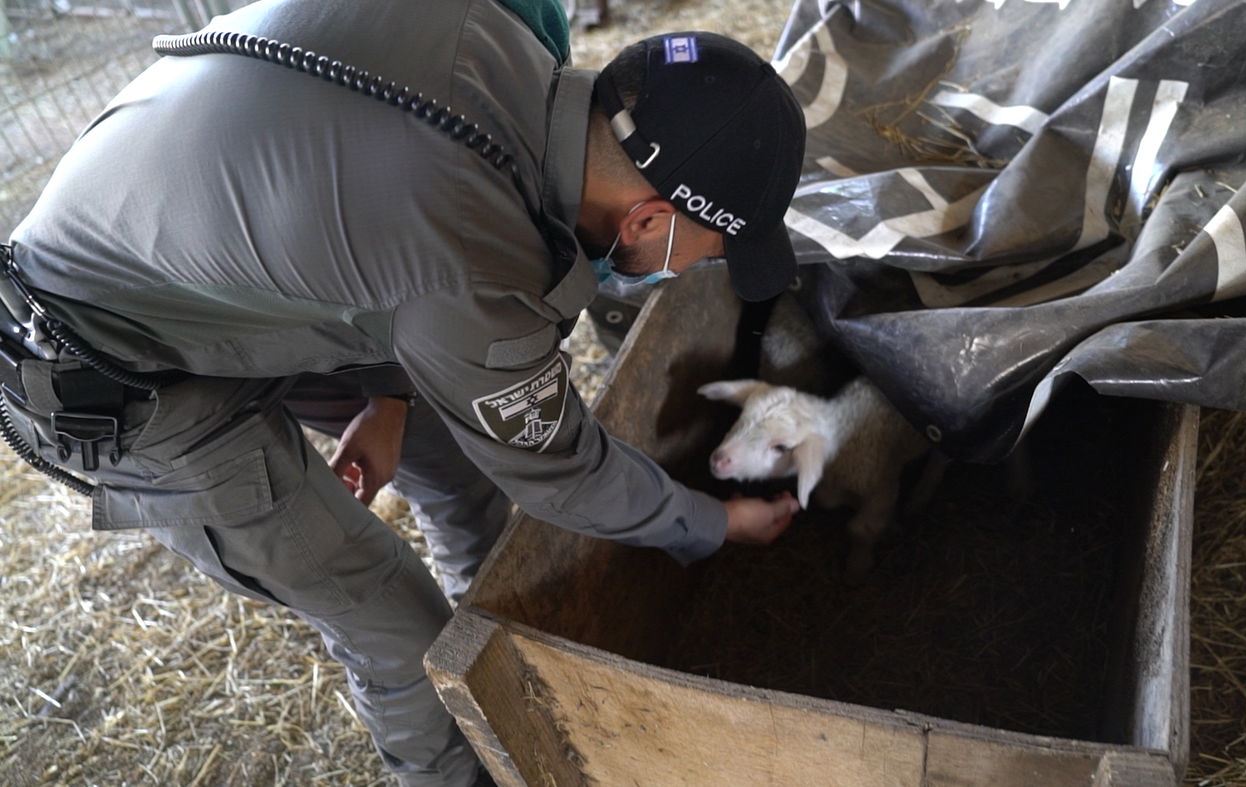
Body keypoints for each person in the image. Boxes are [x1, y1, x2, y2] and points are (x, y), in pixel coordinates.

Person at [0, 0, 807, 783]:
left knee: (454, 459)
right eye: (709, 250)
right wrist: (712, 519)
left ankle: (500, 656)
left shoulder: (496, 36)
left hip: (200, 269)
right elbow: (562, 468)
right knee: (397, 628)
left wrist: (389, 400)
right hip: (105, 368)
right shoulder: (481, 261)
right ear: (646, 220)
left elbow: (371, 229)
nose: (700, 265)